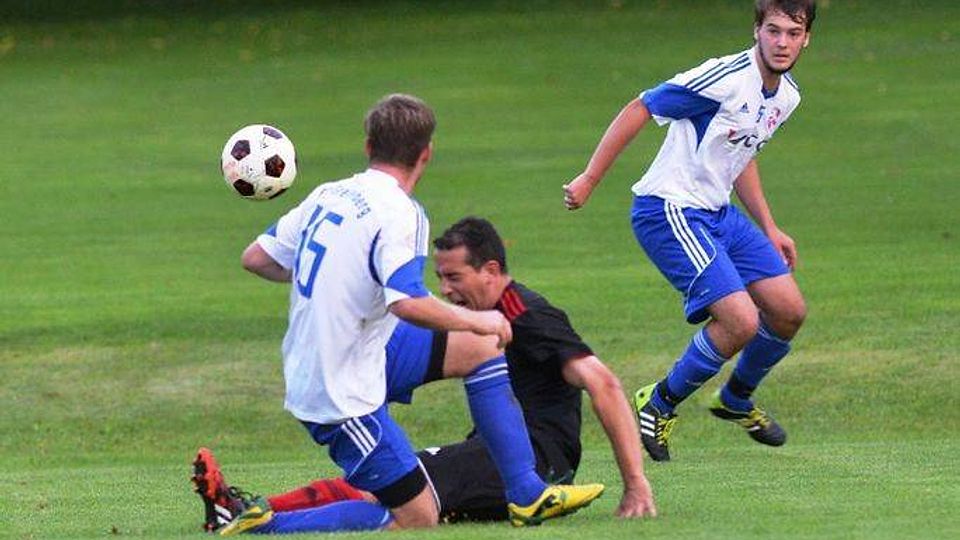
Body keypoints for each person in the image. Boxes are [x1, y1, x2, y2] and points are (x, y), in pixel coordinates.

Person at [215, 94, 602, 535]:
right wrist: (483, 318)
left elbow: (256, 258)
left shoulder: (330, 193)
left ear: (367, 146)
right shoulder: (400, 212)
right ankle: (265, 526)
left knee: (478, 349)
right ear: (426, 154)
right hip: (338, 388)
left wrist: (335, 278)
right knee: (417, 517)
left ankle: (527, 494)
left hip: (363, 349)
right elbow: (407, 303)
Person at [192, 217, 655, 533]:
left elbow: (605, 384)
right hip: (487, 452)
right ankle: (248, 508)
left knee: (405, 505)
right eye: (441, 278)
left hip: (539, 458)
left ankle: (261, 524)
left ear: (491, 270)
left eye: (455, 278)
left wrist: (635, 484)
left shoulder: (527, 315)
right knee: (387, 480)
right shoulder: (477, 320)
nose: (447, 291)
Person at [562, 0, 815, 462]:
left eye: (792, 34)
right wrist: (590, 177)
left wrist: (770, 226)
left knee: (788, 311)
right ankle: (657, 403)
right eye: (773, 30)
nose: (782, 43)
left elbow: (739, 154)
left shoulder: (786, 96)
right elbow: (642, 105)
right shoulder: (724, 77)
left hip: (718, 214)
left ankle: (736, 399)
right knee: (740, 320)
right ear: (757, 29)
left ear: (805, 38)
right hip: (669, 209)